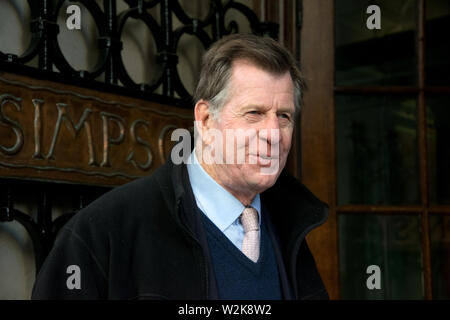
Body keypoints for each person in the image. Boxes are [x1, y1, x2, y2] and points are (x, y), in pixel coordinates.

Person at [31, 34, 329, 300]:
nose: (273, 134)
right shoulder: (102, 231)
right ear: (206, 120)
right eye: (254, 113)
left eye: (284, 117)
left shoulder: (290, 226)